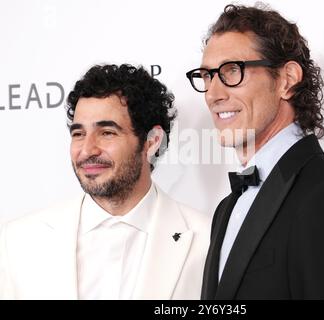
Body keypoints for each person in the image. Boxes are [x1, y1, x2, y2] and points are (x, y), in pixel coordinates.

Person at [186, 3, 324, 299]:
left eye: (232, 71)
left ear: (286, 80)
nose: (214, 94)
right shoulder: (227, 208)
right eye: (207, 76)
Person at [0, 64, 209, 300]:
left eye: (107, 132)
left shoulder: (207, 240)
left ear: (152, 141)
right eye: (78, 134)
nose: (87, 150)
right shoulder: (17, 241)